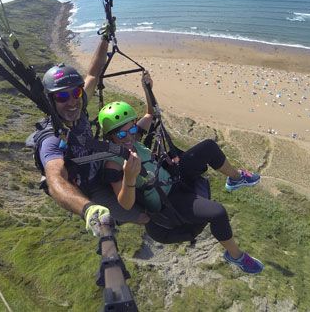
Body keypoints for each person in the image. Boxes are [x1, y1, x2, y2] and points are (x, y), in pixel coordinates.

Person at [97, 71, 264, 274]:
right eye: (122, 133)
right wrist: (130, 179)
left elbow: (150, 115)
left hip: (171, 176)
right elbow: (125, 204)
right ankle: (236, 256)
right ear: (110, 136)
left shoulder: (132, 137)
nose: (129, 136)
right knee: (218, 212)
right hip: (168, 201)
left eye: (131, 129)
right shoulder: (113, 163)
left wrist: (147, 89)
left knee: (209, 147)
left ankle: (236, 178)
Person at [36, 30, 149, 237]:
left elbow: (93, 74)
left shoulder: (79, 108)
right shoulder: (51, 139)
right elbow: (55, 179)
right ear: (51, 101)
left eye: (76, 93)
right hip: (91, 188)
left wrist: (105, 38)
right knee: (141, 216)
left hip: (103, 163)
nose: (71, 101)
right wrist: (88, 209)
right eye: (62, 96)